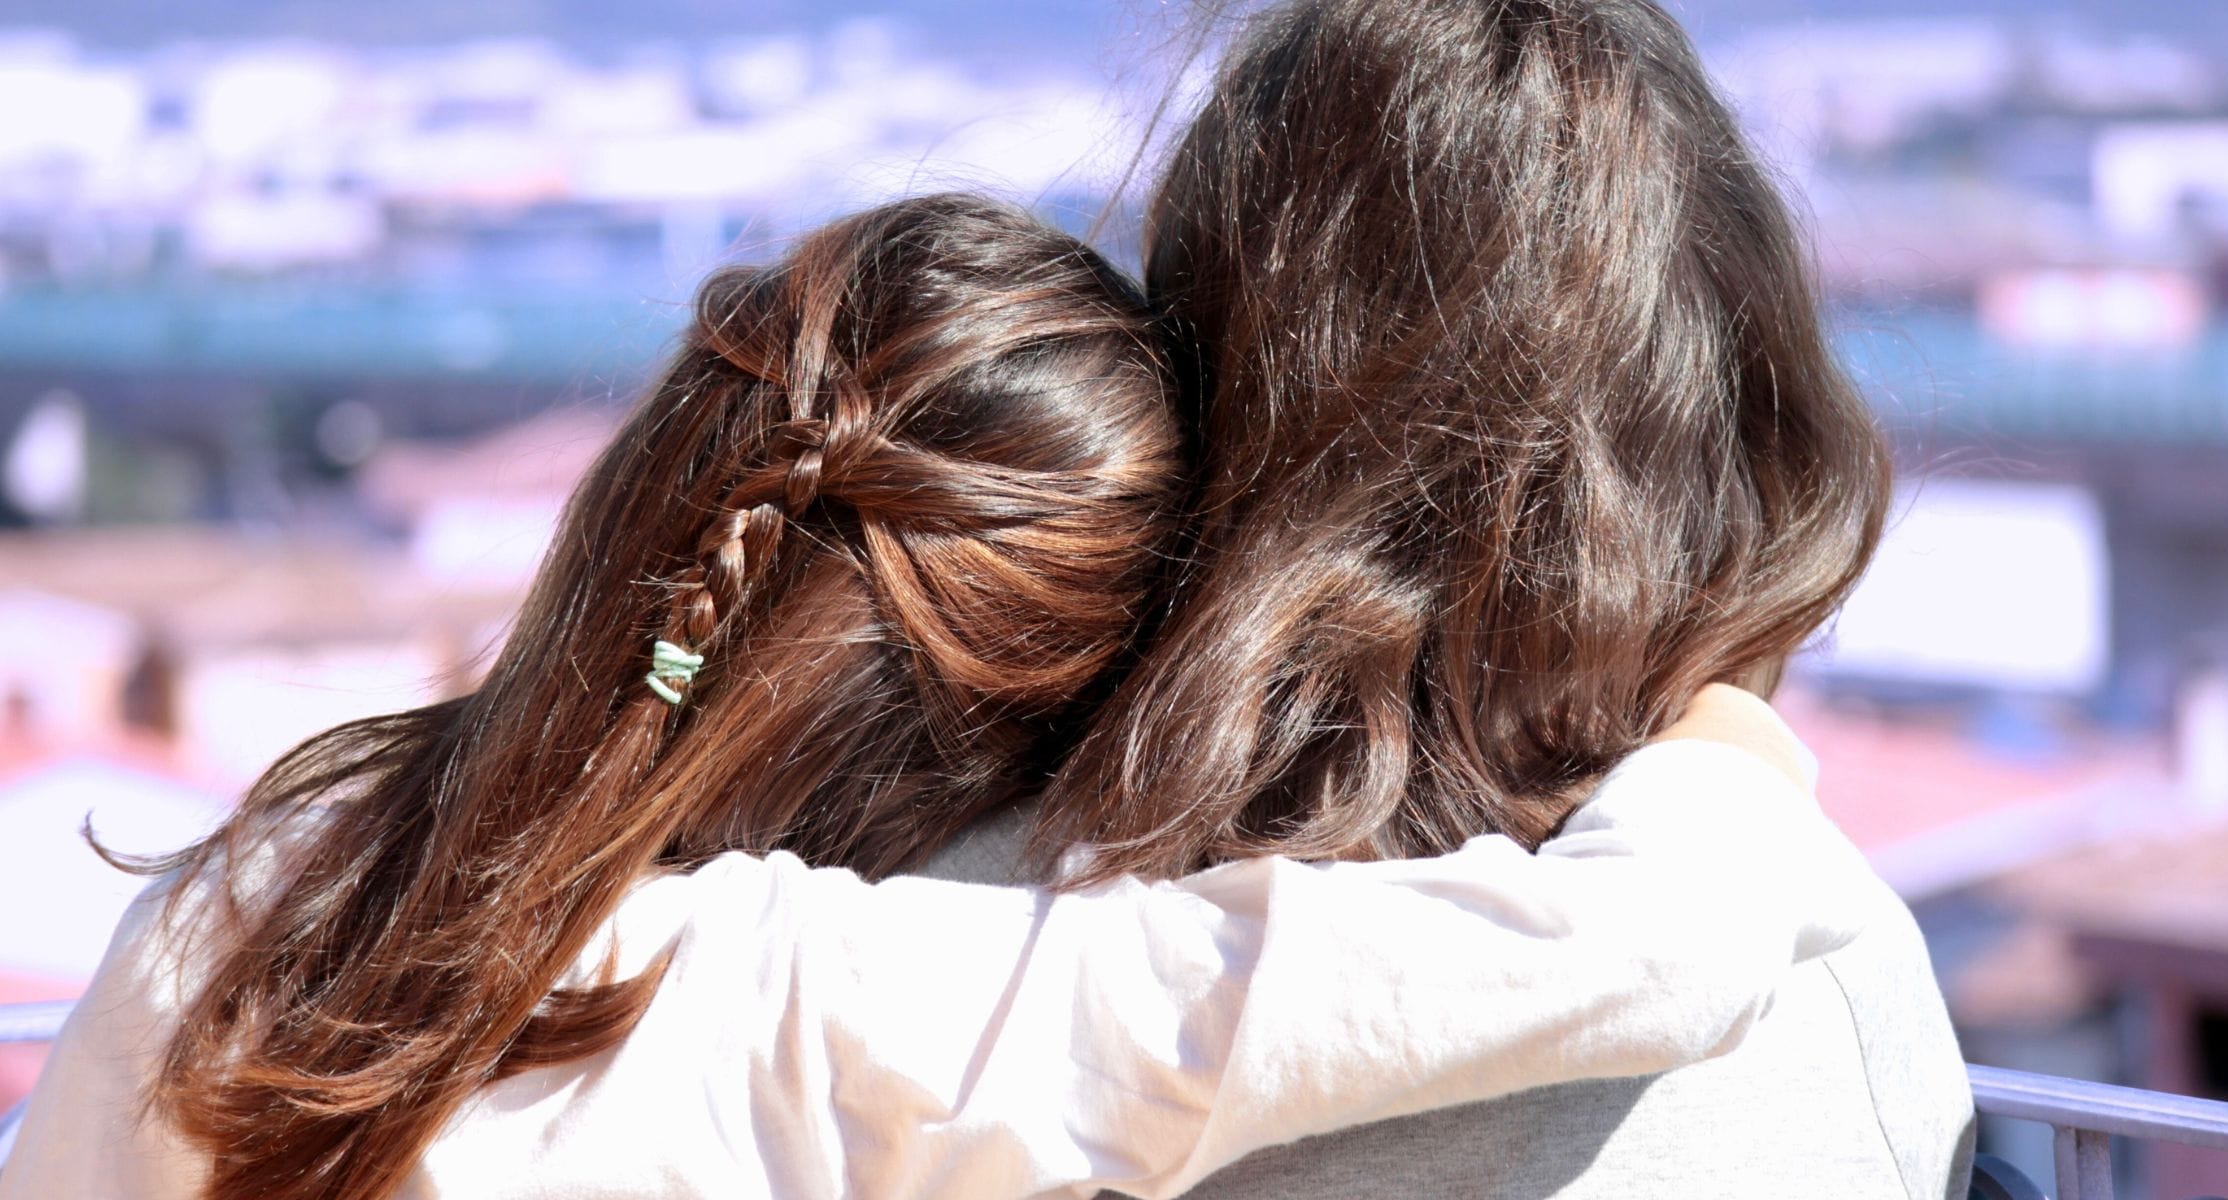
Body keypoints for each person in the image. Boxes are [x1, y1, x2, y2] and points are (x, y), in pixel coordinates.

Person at [0, 195, 1883, 1200]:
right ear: (1006, 705)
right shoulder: (816, 1013)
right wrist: (1717, 695)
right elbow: (1651, 946)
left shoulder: (261, 885)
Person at [924, 0, 1975, 1195]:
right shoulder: (1813, 977)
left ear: (1186, 371)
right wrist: (1734, 740)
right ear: (1724, 420)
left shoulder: (936, 955)